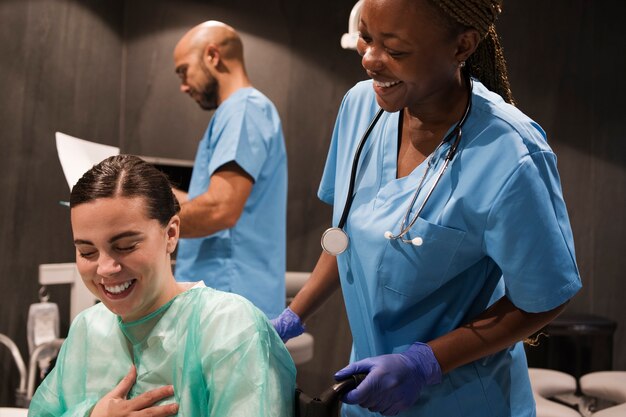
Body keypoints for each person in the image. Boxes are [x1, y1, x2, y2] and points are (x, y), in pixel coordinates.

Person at [272, 0, 582, 416]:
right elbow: (347, 236)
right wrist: (292, 317)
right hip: (370, 391)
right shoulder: (361, 108)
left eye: (395, 51)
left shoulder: (511, 153)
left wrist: (424, 363)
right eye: (365, 38)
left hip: (463, 401)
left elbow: (544, 299)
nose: (370, 60)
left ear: (462, 47)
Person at [28, 155, 295, 417]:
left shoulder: (229, 328)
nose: (105, 268)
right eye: (87, 252)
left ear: (171, 234)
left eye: (125, 246)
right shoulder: (88, 329)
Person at [172, 21, 287, 318]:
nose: (183, 86)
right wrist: (156, 197)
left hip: (229, 303)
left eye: (184, 70)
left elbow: (219, 210)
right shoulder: (237, 111)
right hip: (222, 299)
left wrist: (139, 219)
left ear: (212, 56)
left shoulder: (244, 109)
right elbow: (211, 200)